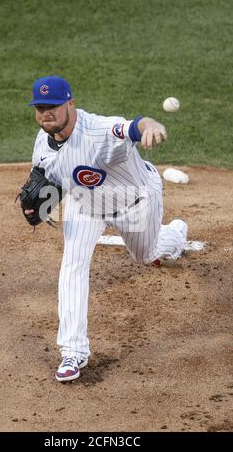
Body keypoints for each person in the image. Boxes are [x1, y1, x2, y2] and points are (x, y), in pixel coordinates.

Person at [26, 75, 188, 382]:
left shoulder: (98, 130)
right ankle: (73, 352)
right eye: (40, 107)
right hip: (85, 206)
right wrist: (37, 203)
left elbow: (134, 126)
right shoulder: (42, 142)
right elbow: (44, 173)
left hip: (135, 201)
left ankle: (175, 235)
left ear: (70, 104)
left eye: (53, 106)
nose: (45, 114)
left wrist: (151, 126)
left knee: (147, 253)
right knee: (72, 265)